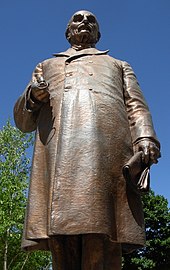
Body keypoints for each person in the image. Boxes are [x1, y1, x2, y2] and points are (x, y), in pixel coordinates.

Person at [14, 10, 160, 270]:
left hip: (106, 154)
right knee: (62, 239)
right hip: (59, 156)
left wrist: (146, 136)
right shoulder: (46, 66)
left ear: (98, 33)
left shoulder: (118, 65)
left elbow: (136, 106)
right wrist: (33, 95)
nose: (84, 22)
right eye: (77, 19)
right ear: (68, 31)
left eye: (91, 20)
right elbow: (23, 123)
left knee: (102, 232)